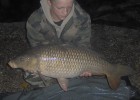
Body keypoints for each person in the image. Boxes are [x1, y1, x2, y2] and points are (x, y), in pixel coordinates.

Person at [25, 0, 91, 88]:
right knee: (30, 72)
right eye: (60, 8)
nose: (65, 12)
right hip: (50, 59)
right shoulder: (35, 21)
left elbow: (83, 45)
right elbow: (37, 49)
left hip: (74, 59)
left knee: (81, 75)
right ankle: (49, 90)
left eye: (69, 7)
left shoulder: (82, 17)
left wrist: (84, 67)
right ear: (49, 2)